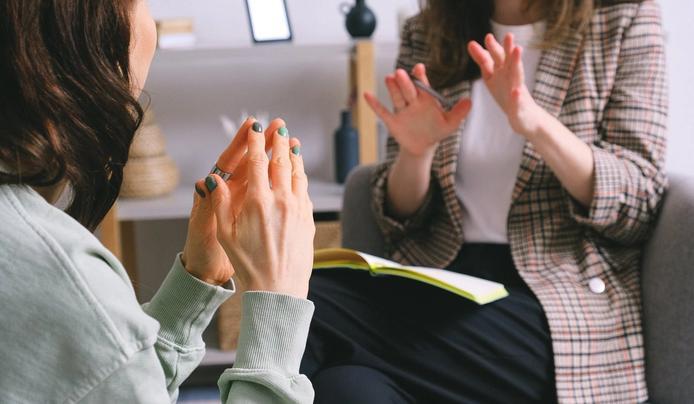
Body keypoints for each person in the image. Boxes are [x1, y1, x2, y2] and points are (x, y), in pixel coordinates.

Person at [301, 0, 667, 402]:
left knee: (302, 302)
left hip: (557, 305)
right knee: (346, 389)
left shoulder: (624, 18)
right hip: (438, 283)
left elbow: (640, 202)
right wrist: (416, 151)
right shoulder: (430, 29)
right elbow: (400, 219)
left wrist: (535, 123)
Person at [0, 1, 316, 403]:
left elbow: (105, 382)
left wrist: (196, 280)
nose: (153, 28)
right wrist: (280, 297)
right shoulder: (68, 281)